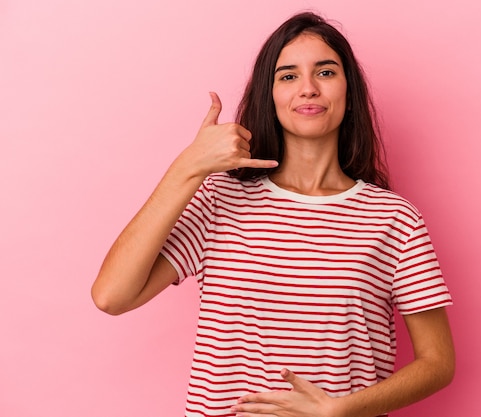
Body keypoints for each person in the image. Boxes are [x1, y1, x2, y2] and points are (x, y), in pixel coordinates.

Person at [92, 11, 455, 417]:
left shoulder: (394, 219)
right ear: (271, 96)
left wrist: (340, 410)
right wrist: (188, 166)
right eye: (288, 76)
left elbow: (437, 362)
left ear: (349, 91)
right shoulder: (220, 199)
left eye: (326, 72)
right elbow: (112, 296)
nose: (308, 89)